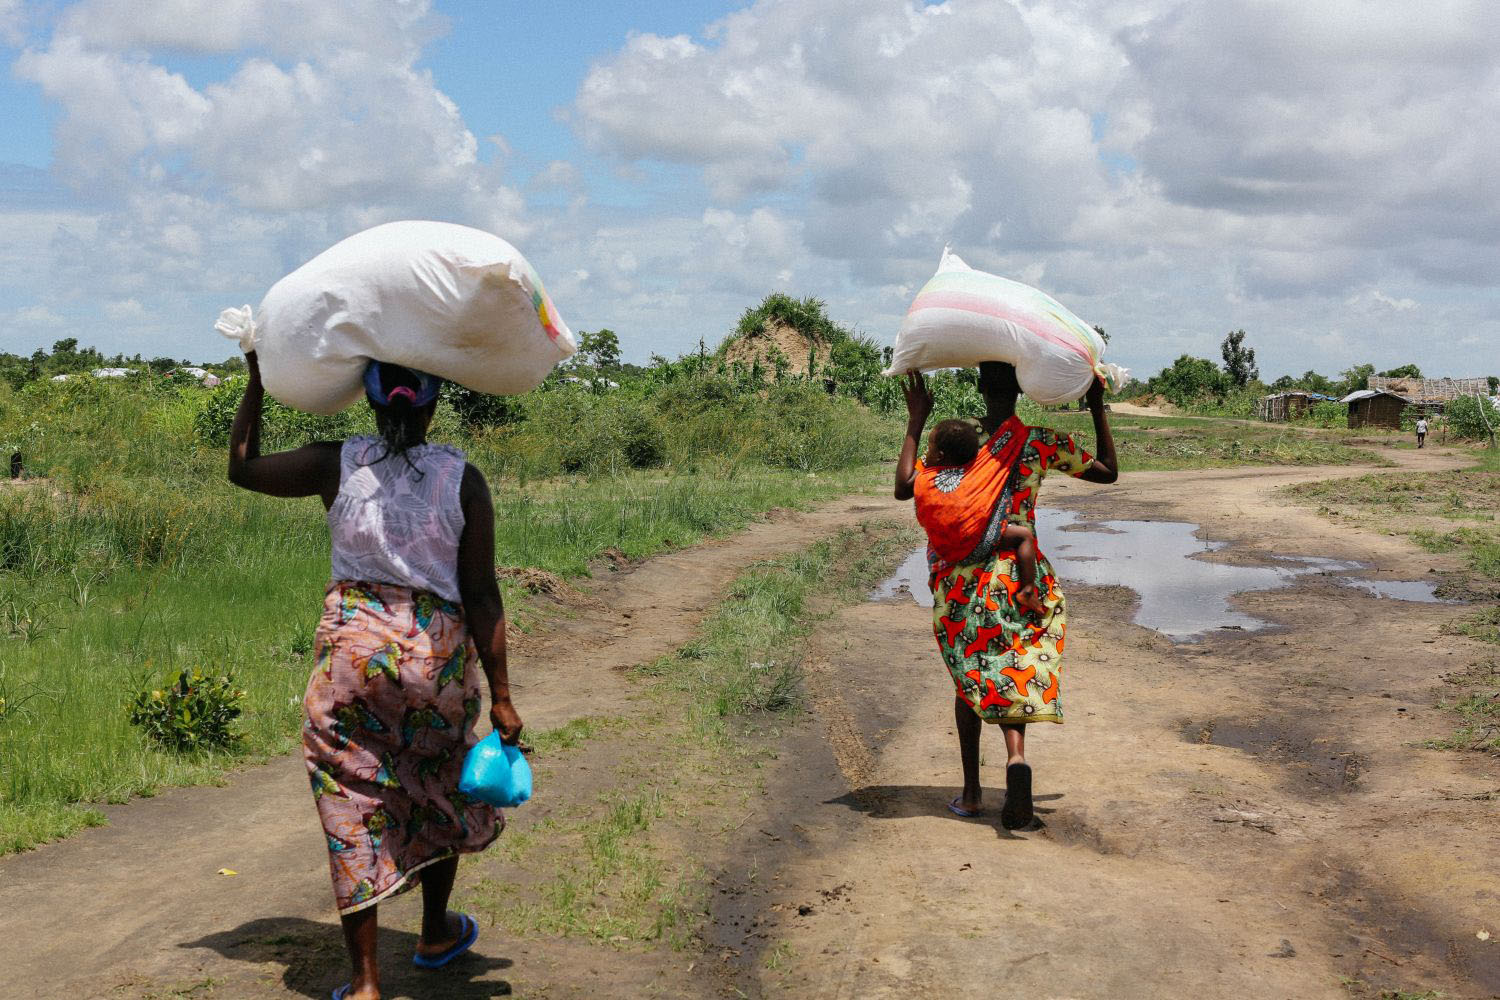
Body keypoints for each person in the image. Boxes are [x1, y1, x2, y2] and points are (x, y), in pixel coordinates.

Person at [227, 351, 522, 1000]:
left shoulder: (336, 463)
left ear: (368, 402)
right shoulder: (463, 480)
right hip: (434, 665)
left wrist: (256, 381)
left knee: (350, 798)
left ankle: (364, 983)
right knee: (439, 782)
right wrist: (501, 698)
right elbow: (482, 595)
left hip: (353, 662)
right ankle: (437, 932)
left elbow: (242, 468)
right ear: (432, 404)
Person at [895, 362, 1118, 829]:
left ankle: (973, 793)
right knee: (1011, 666)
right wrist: (1097, 406)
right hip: (1019, 576)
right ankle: (1016, 759)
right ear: (1020, 389)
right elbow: (1107, 472)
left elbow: (907, 487)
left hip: (960, 580)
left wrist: (916, 418)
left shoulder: (959, 442)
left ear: (979, 387)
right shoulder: (1039, 442)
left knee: (967, 678)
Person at [917, 419, 1046, 616]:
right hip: (980, 545)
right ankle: (1028, 590)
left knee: (935, 537)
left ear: (940, 456)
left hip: (945, 551)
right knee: (1023, 536)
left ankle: (935, 576)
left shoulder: (926, 479)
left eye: (930, 447)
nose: (927, 452)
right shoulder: (980, 475)